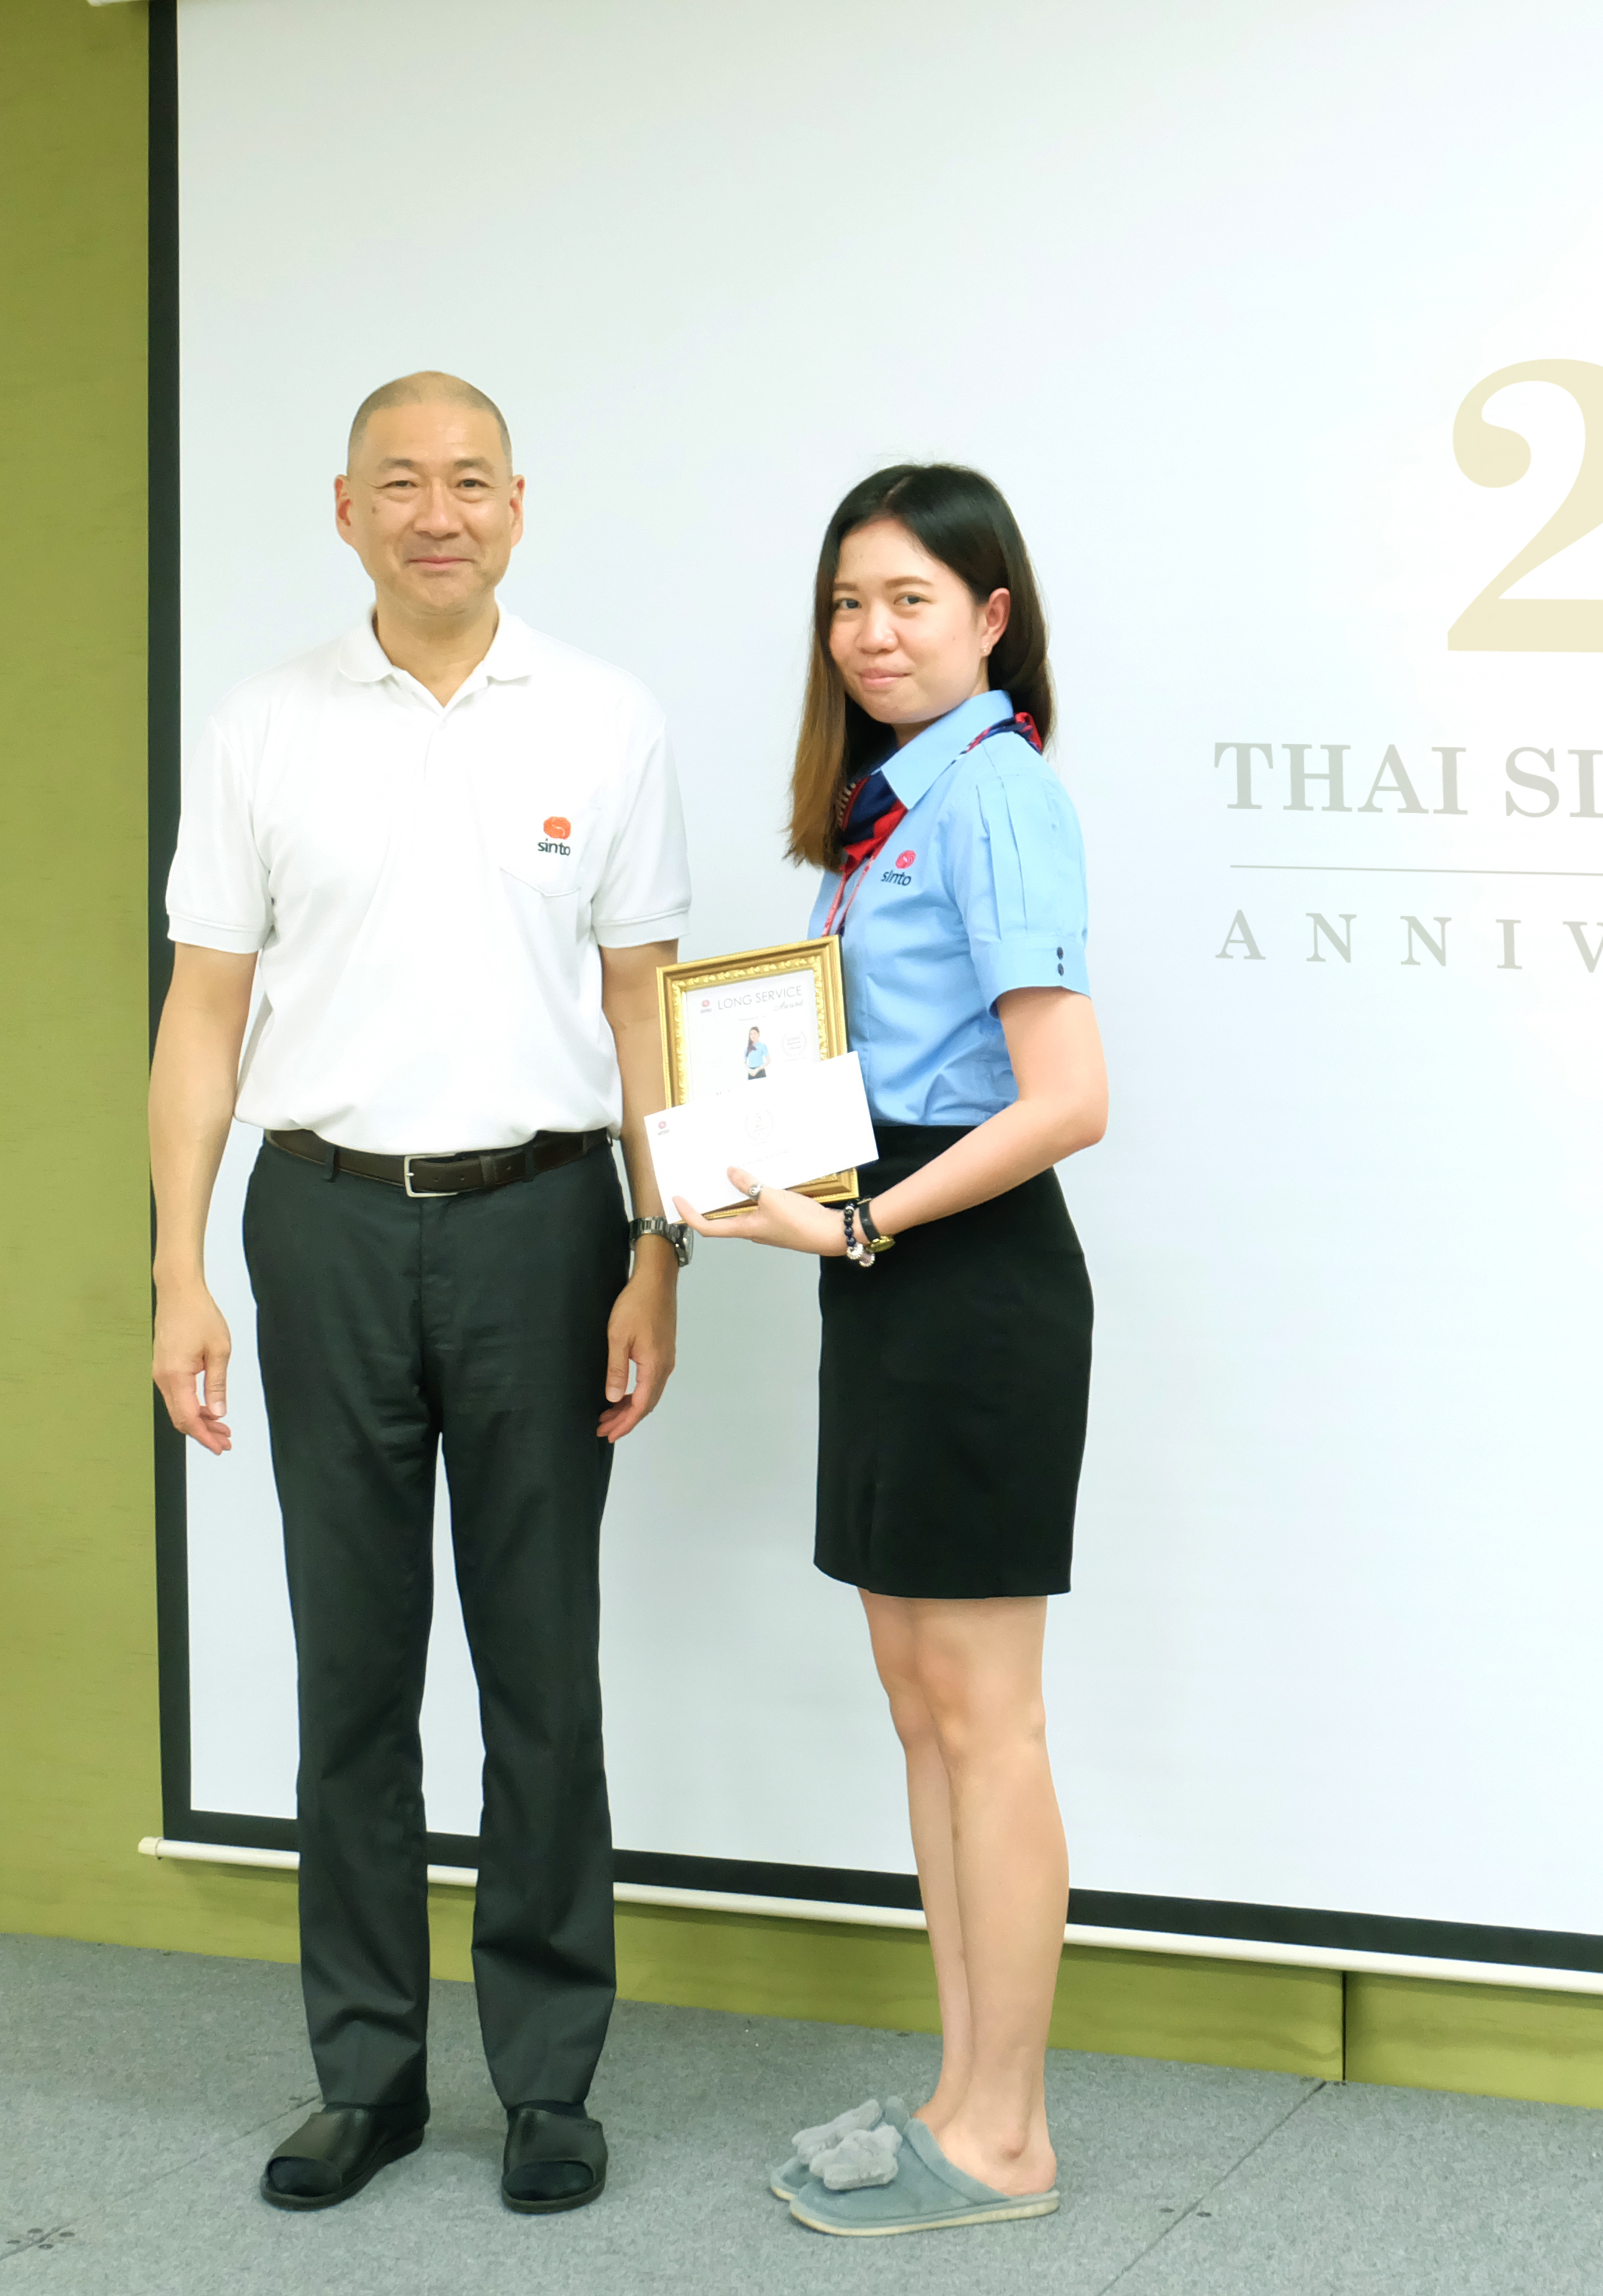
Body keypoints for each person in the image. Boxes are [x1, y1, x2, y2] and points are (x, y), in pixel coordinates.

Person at [148, 371, 697, 2220]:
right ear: (345, 509)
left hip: (546, 1229)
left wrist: (657, 1248)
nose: (437, 512)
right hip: (322, 1228)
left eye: (470, 481)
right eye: (401, 482)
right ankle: (367, 2078)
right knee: (354, 1667)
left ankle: (547, 2083)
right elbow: (203, 1013)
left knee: (541, 1667)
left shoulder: (606, 720)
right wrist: (178, 1266)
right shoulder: (263, 726)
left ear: (519, 507)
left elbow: (644, 1007)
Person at [675, 464, 1104, 2237]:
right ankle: (960, 2096)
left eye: (911, 599)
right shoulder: (889, 808)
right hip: (896, 1269)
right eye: (848, 603)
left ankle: (1009, 2136)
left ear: (992, 618)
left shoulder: (997, 793)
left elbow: (1068, 1098)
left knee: (986, 1724)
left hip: (968, 1276)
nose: (871, 633)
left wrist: (864, 1226)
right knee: (924, 1714)